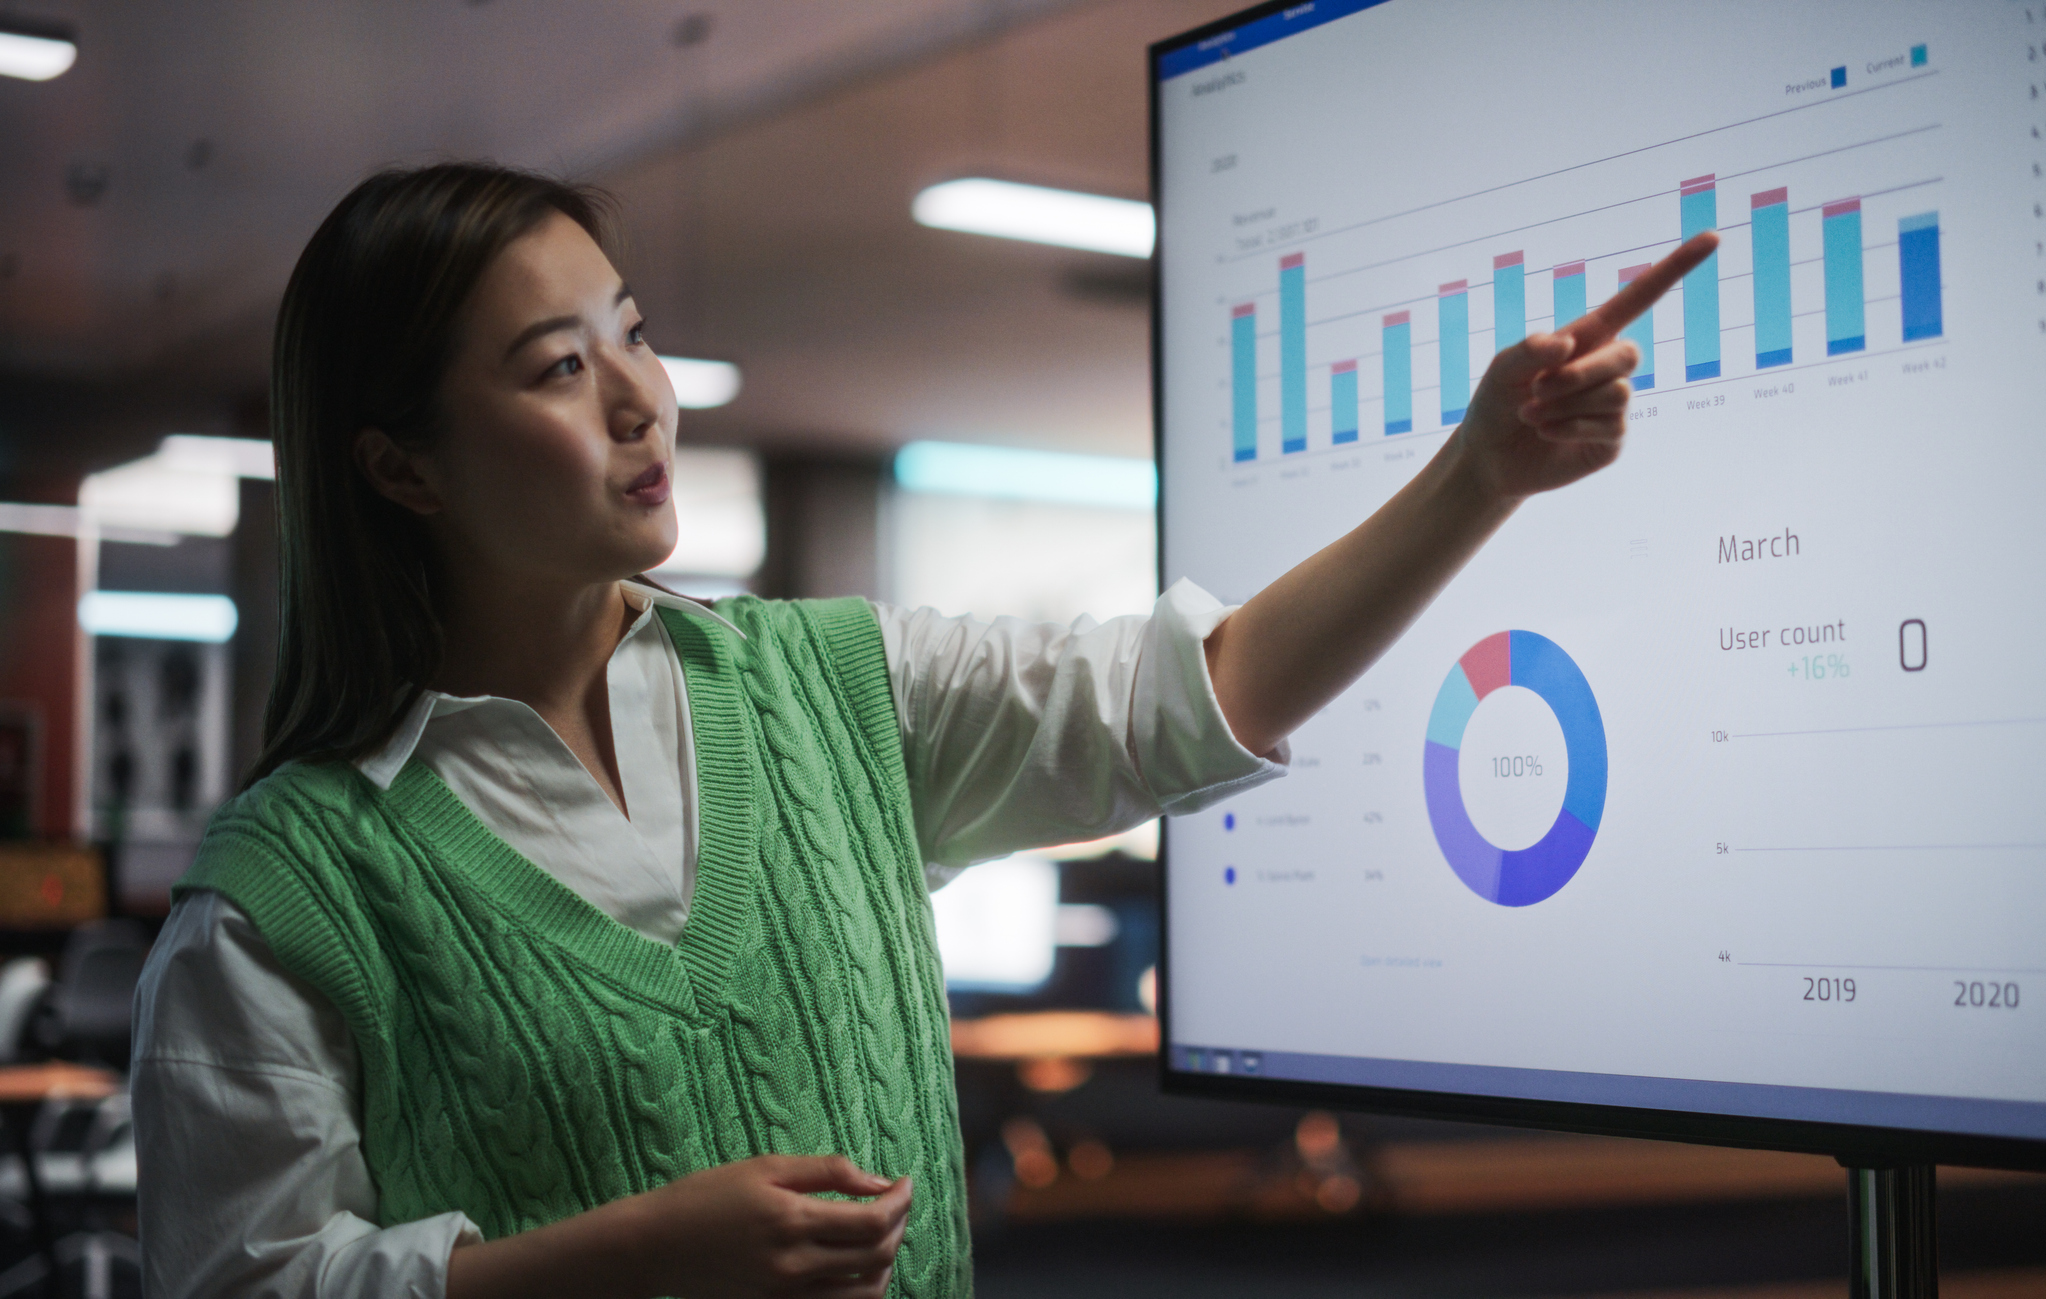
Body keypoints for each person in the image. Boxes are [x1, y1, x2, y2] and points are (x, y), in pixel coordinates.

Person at [128, 162, 1712, 1299]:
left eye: (632, 332)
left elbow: (1202, 689)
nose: (640, 400)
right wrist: (618, 1265)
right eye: (558, 367)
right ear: (400, 470)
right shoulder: (290, 895)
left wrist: (1479, 473)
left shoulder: (834, 690)